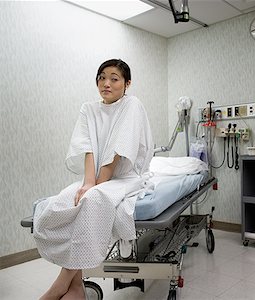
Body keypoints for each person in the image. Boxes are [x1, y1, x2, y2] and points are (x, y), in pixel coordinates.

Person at [33, 59, 153, 300]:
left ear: (127, 83)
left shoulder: (132, 105)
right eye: (101, 77)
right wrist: (89, 183)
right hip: (95, 177)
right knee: (61, 203)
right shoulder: (89, 108)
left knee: (93, 199)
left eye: (114, 78)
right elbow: (88, 147)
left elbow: (118, 150)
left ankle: (61, 283)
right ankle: (76, 288)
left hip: (124, 177)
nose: (106, 83)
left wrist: (96, 187)